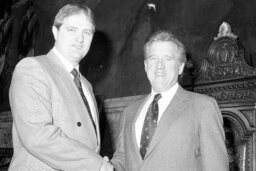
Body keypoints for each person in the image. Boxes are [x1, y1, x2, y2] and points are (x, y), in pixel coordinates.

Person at [8, 3, 113, 171]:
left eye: (87, 32)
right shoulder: (32, 68)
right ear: (55, 32)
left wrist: (98, 161)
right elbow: (38, 136)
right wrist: (96, 164)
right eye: (72, 30)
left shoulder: (86, 85)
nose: (80, 39)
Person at [111, 30, 229, 171]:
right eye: (153, 58)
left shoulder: (203, 107)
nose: (159, 66)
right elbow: (122, 160)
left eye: (168, 59)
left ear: (180, 67)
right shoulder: (129, 113)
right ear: (146, 65)